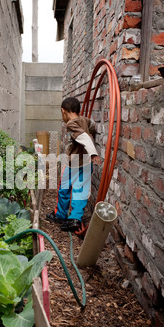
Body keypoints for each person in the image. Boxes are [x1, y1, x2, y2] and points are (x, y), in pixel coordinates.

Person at [46, 97, 101, 232]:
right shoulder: (83, 120)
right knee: (80, 191)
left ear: (63, 111)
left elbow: (84, 137)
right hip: (86, 162)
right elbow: (93, 126)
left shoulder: (71, 123)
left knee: (64, 189)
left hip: (75, 163)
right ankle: (75, 219)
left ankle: (60, 215)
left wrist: (93, 152)